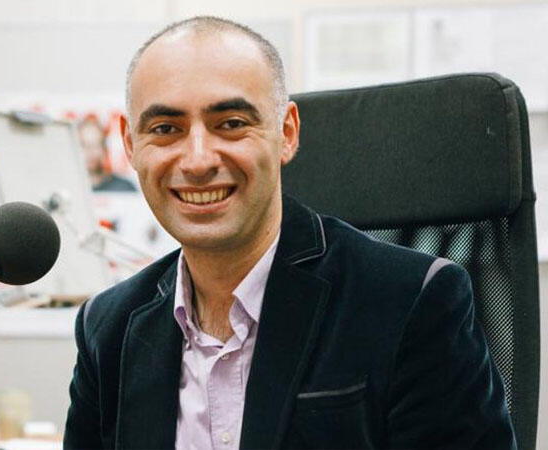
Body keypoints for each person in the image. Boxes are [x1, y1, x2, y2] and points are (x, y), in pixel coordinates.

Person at [64, 16, 515, 449]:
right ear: (130, 145)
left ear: (287, 132)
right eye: (165, 129)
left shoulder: (412, 302)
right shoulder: (109, 327)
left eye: (231, 124)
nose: (198, 161)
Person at [77, 114, 136, 192]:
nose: (90, 151)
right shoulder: (66, 188)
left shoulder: (124, 188)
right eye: (83, 145)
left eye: (96, 145)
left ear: (104, 149)